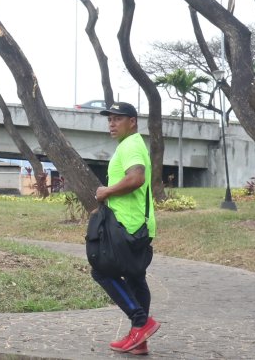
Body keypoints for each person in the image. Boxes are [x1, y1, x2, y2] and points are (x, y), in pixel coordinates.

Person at [94, 101, 158, 355]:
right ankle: (139, 340)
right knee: (135, 278)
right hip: (138, 224)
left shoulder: (130, 145)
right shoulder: (132, 144)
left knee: (101, 270)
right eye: (109, 119)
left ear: (132, 121)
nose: (112, 123)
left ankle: (141, 322)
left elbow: (136, 178)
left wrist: (105, 191)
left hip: (129, 226)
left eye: (117, 118)